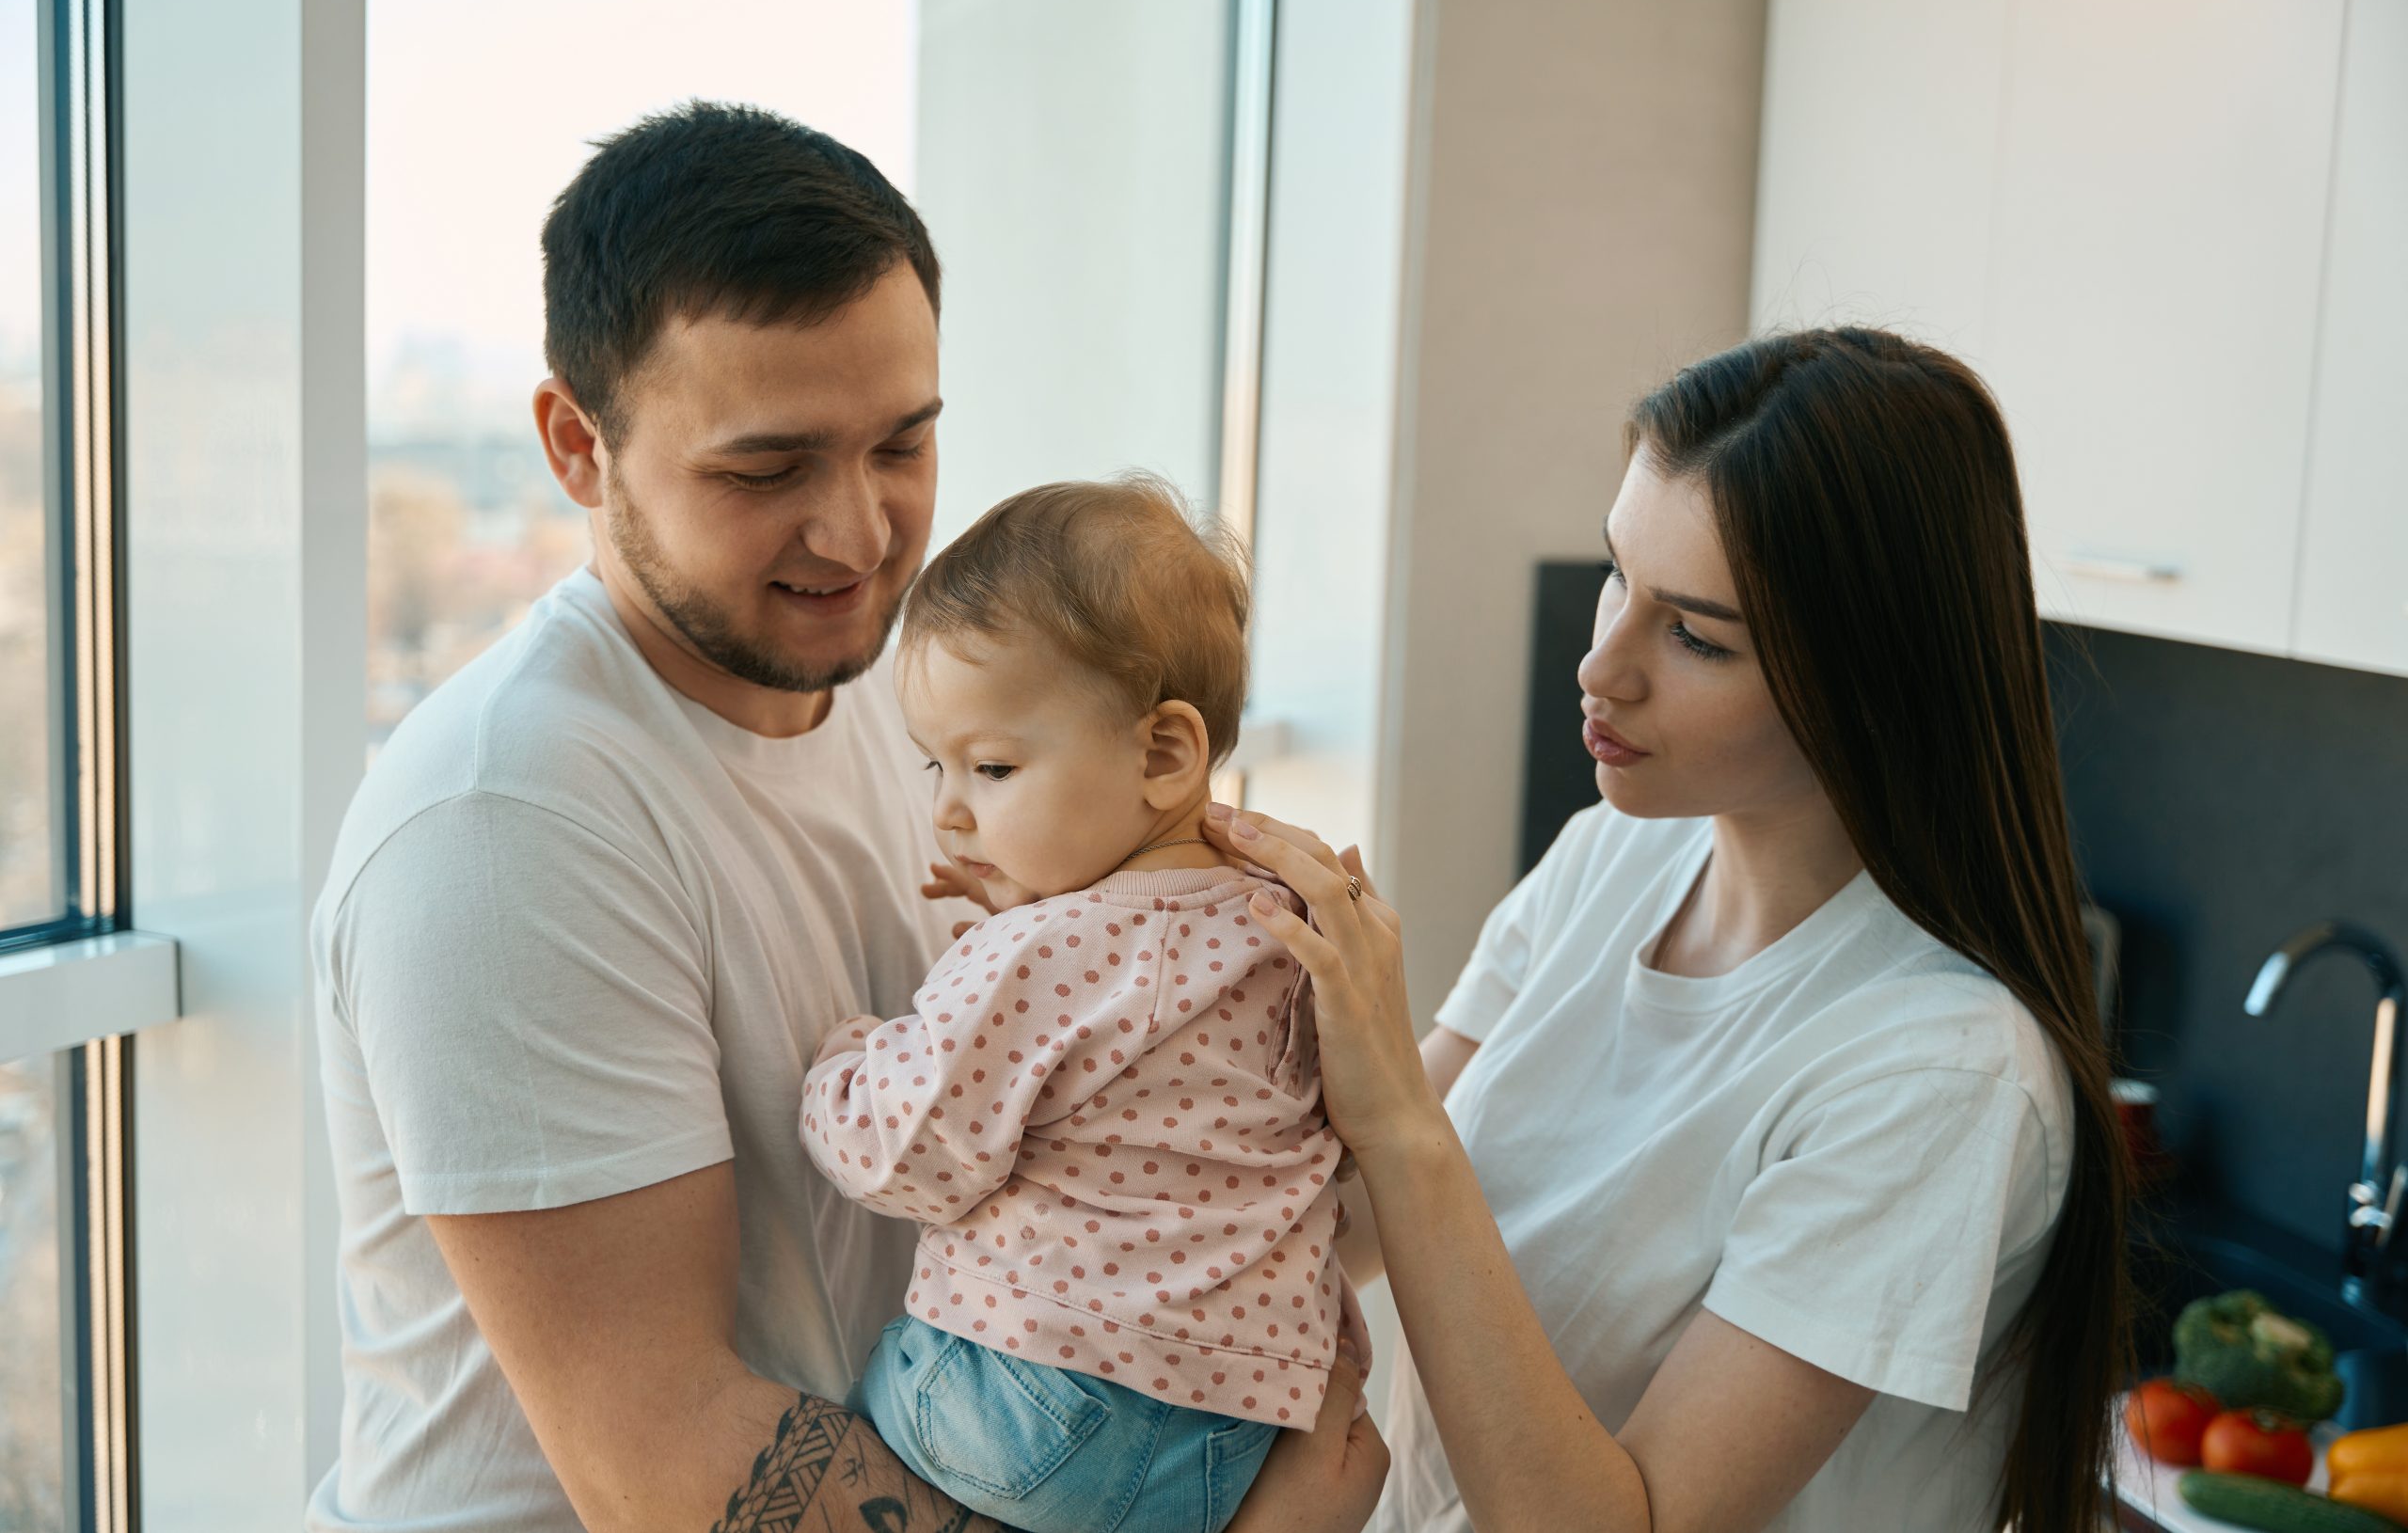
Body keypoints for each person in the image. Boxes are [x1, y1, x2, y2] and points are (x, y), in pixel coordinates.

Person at [309, 103, 1383, 1533]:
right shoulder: (502, 823)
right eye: (767, 470)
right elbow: (669, 1456)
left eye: (903, 444)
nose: (862, 534)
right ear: (577, 444)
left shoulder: (931, 709)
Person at [1204, 327, 2131, 1533]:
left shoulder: (1937, 1071)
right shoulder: (1619, 853)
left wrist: (1391, 1114)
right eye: (1614, 576)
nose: (1601, 665)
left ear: (1869, 678)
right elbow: (1353, 1223)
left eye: (1694, 636)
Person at [803, 476, 1366, 1533]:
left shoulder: (1043, 949)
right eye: (938, 767)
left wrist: (848, 1056)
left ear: (1162, 755)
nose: (952, 813)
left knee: (840, 1415)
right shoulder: (1284, 921)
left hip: (1031, 1411)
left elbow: (903, 1153)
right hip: (1233, 1444)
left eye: (995, 765)